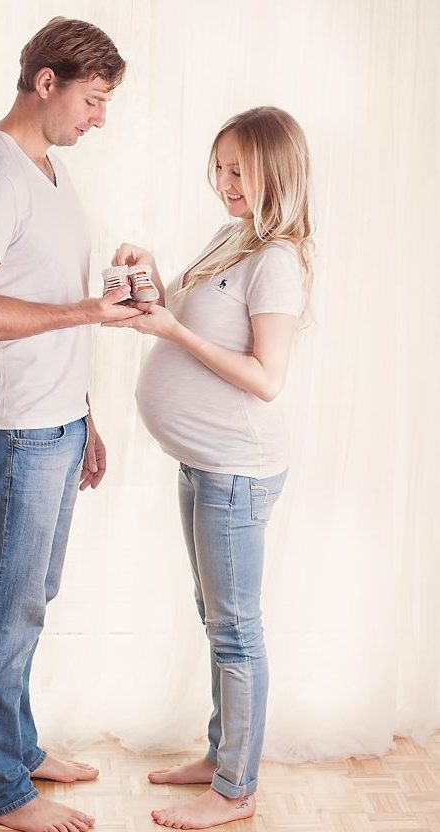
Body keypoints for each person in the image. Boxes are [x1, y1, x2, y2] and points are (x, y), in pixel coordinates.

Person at [0, 17, 141, 832]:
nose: (98, 118)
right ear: (44, 84)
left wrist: (82, 414)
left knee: (29, 601)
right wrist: (85, 309)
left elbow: (39, 295)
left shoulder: (45, 169)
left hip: (51, 426)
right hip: (12, 432)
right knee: (2, 611)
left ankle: (15, 748)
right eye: (91, 100)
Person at [105, 106, 313, 828]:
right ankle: (219, 756)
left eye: (238, 169)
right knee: (214, 616)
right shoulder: (233, 238)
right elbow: (190, 321)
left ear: (273, 172)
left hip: (236, 469)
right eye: (218, 165)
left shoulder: (277, 260)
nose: (223, 182)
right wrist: (150, 279)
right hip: (202, 462)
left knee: (234, 628)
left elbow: (265, 376)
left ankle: (234, 791)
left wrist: (166, 330)